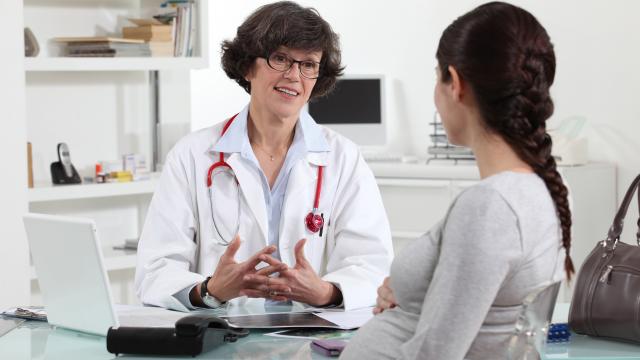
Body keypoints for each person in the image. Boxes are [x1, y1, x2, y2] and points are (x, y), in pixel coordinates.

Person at [341, 2, 573, 359]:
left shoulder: (490, 206)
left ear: (456, 83)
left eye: (437, 77)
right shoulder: (538, 188)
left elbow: (434, 354)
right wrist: (413, 293)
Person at [134, 1, 393, 312]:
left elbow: (372, 264)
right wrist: (211, 289)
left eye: (308, 64)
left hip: (309, 338)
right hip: (221, 335)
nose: (294, 75)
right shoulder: (192, 155)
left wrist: (324, 292)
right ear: (247, 66)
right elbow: (155, 270)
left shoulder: (344, 159)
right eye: (280, 58)